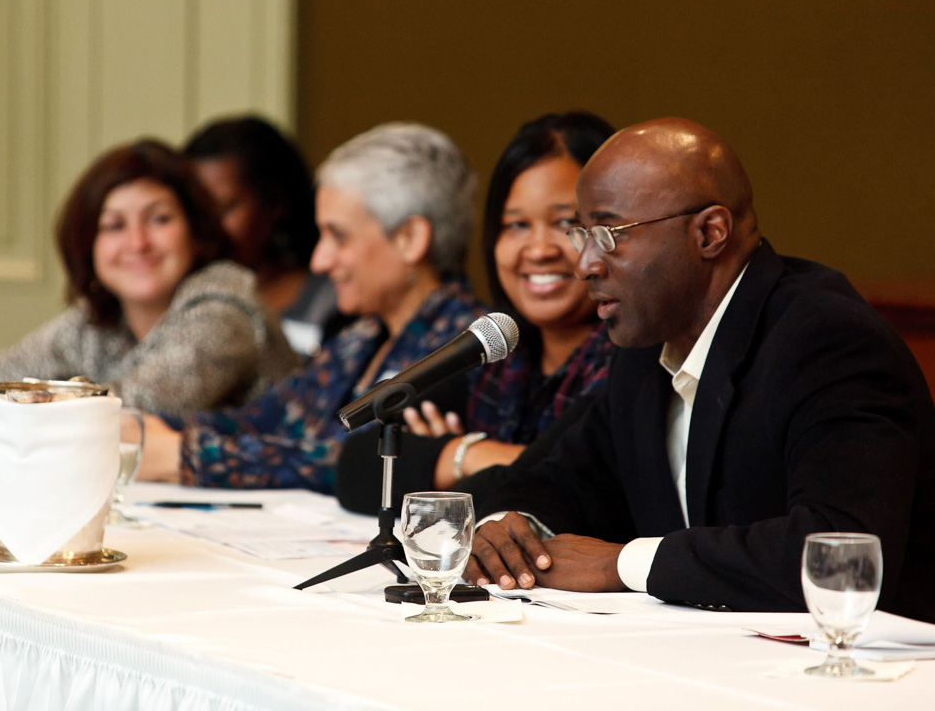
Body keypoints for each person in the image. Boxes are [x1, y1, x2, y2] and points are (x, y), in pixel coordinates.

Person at [465, 117, 935, 624]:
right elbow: (552, 478)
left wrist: (623, 563)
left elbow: (843, 552)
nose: (585, 262)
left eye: (608, 234)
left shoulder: (825, 339)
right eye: (583, 234)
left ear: (710, 232)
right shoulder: (645, 351)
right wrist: (507, 533)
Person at [0, 139, 298, 450]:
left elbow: (115, 418)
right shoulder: (99, 318)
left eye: (159, 219)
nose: (138, 243)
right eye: (114, 225)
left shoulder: (225, 305)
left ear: (197, 232)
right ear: (89, 246)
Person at [136, 123, 487, 493]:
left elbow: (355, 462)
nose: (319, 261)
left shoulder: (464, 349)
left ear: (409, 239)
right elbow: (261, 419)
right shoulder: (361, 337)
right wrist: (144, 426)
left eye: (338, 236)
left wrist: (189, 455)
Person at [335, 112, 616, 514]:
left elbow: (558, 490)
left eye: (566, 223)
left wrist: (441, 458)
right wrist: (468, 454)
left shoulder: (628, 358)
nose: (538, 250)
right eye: (516, 225)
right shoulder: (498, 353)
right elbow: (358, 465)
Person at [183, 115, 347, 357]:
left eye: (224, 208)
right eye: (194, 209)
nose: (207, 225)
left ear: (274, 203)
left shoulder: (337, 298)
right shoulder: (179, 300)